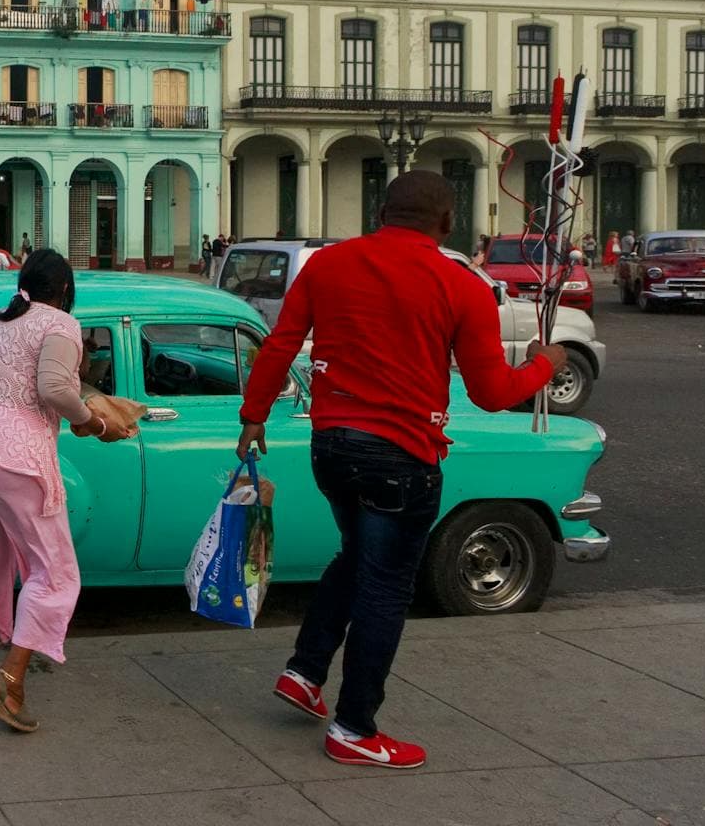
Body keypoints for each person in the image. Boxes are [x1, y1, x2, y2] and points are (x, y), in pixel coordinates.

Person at [236, 171, 564, 770]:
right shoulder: (460, 283)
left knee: (356, 555)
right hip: (402, 454)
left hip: (331, 444)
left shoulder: (328, 265)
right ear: (448, 222)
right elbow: (492, 393)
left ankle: (305, 671)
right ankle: (354, 728)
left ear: (381, 213)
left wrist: (254, 416)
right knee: (386, 587)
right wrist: (546, 364)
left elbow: (280, 344)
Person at [0, 248, 136, 733]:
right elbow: (53, 389)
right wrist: (94, 422)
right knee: (54, 573)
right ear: (66, 289)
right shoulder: (60, 324)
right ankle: (8, 683)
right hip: (14, 457)